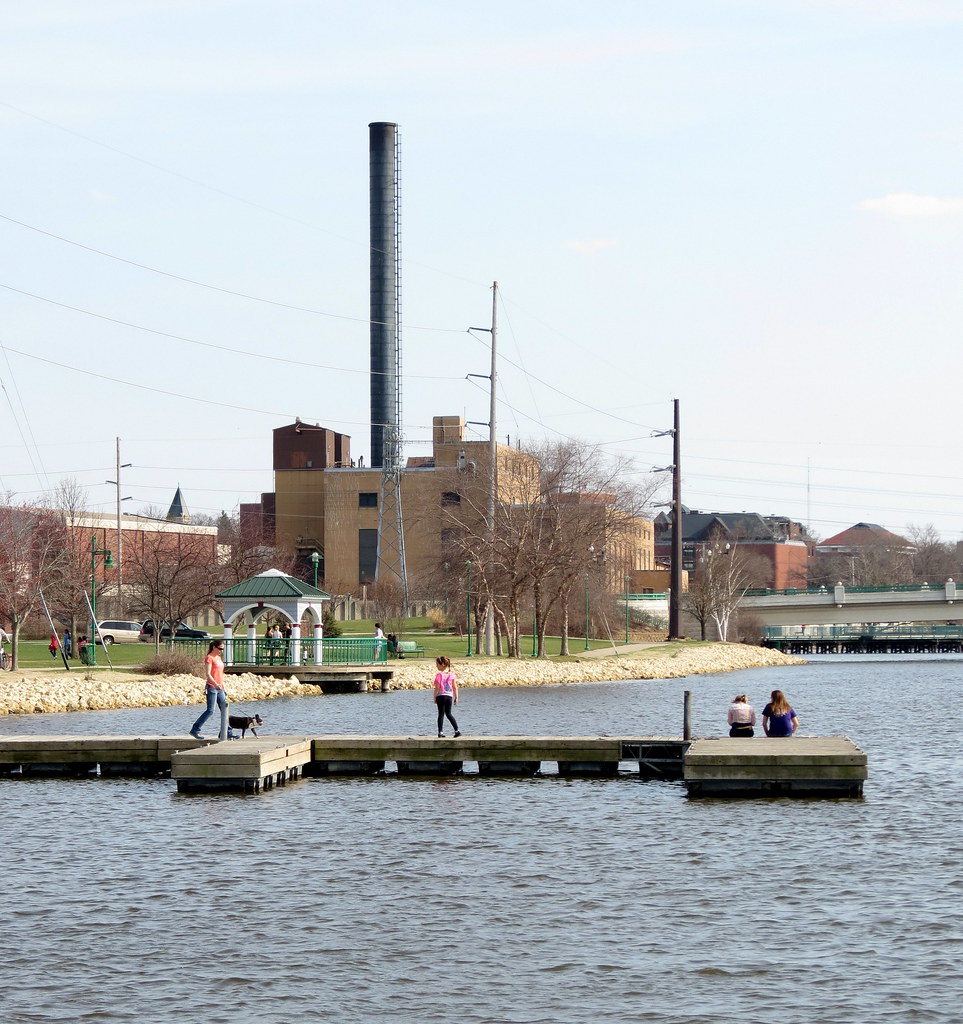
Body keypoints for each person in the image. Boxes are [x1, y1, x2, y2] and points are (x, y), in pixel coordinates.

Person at [190, 640, 229, 741]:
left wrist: (223, 687)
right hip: (212, 687)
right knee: (211, 710)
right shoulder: (209, 658)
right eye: (220, 648)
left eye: (223, 649)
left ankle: (227, 732)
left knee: (225, 709)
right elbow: (208, 674)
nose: (221, 651)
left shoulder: (219, 658)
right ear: (214, 647)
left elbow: (220, 674)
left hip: (220, 688)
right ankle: (195, 729)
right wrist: (215, 684)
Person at [432, 655, 461, 738]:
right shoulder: (452, 675)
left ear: (442, 664)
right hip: (449, 696)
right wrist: (456, 697)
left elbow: (437, 688)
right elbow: (455, 687)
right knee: (449, 714)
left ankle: (440, 732)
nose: (436, 666)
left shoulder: (439, 675)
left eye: (437, 664)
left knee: (441, 714)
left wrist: (435, 697)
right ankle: (457, 730)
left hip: (441, 696)